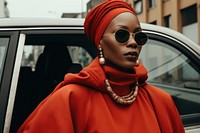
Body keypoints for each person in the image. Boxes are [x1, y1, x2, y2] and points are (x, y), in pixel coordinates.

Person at [18, 0, 185, 132]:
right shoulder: (69, 100)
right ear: (100, 42)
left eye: (139, 37)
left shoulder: (160, 101)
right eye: (122, 34)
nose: (133, 43)